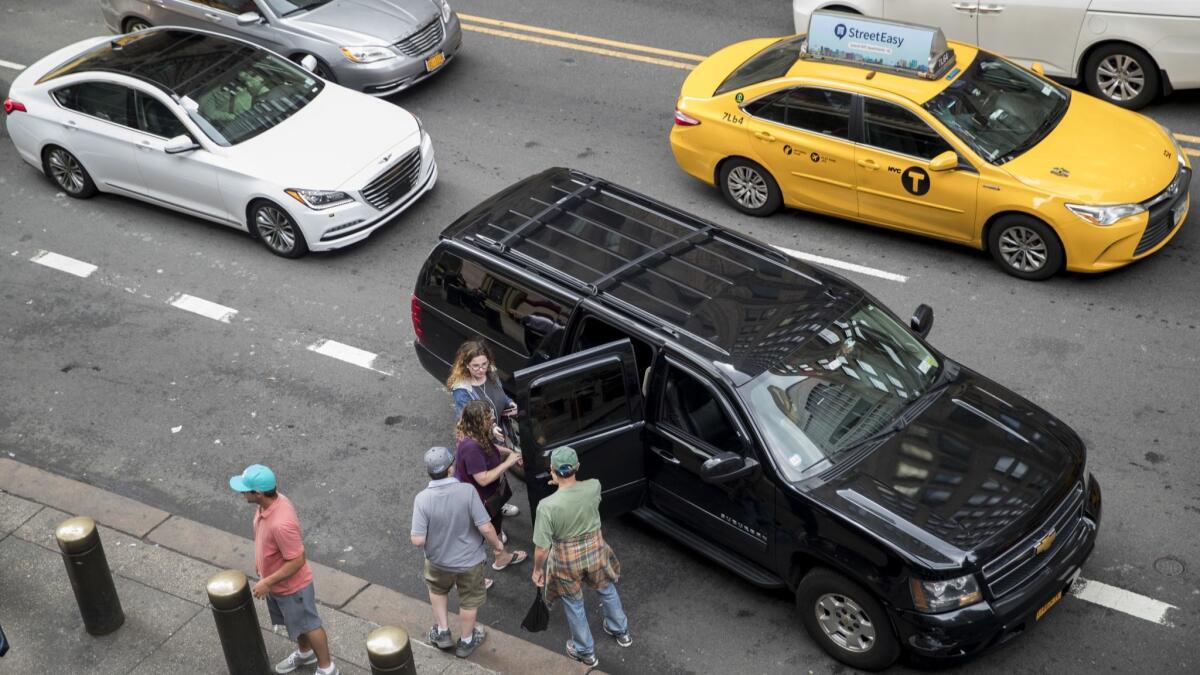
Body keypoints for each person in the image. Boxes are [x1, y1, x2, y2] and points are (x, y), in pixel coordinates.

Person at [229, 464, 337, 675]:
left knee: (309, 624)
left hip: (292, 587)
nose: (241, 492)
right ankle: (305, 654)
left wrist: (267, 582)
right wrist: (262, 565)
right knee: (296, 623)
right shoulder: (267, 505)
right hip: (277, 583)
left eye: (245, 489)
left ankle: (327, 668)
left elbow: (297, 560)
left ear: (258, 493)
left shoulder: (281, 523)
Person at [531, 446, 631, 668]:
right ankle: (621, 631)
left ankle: (586, 652)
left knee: (574, 604)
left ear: (552, 471)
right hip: (595, 551)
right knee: (606, 588)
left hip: (566, 561)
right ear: (577, 467)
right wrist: (561, 481)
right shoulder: (594, 486)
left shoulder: (546, 507)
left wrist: (538, 570)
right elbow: (577, 494)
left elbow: (542, 549)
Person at [411, 446, 506, 659]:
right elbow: (485, 527)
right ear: (450, 469)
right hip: (469, 562)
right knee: (469, 600)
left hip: (437, 561)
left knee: (437, 590)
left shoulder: (422, 499)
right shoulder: (467, 491)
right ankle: (466, 640)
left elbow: (417, 540)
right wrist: (497, 546)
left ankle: (443, 632)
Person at [446, 338, 520, 518]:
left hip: (498, 433)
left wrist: (511, 404)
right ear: (466, 366)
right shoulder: (462, 389)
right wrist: (490, 429)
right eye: (476, 366)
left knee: (498, 474)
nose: (481, 369)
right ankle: (489, 515)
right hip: (480, 439)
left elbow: (501, 396)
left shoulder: (492, 374)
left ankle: (499, 503)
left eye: (484, 364)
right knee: (483, 479)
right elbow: (466, 420)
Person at [454, 400, 528, 564]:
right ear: (479, 422)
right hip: (482, 499)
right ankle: (501, 557)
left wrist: (509, 453)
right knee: (490, 526)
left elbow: (490, 447)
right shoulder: (471, 447)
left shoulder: (474, 432)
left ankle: (499, 536)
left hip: (488, 497)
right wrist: (507, 463)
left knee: (495, 521)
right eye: (489, 417)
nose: (493, 419)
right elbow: (483, 479)